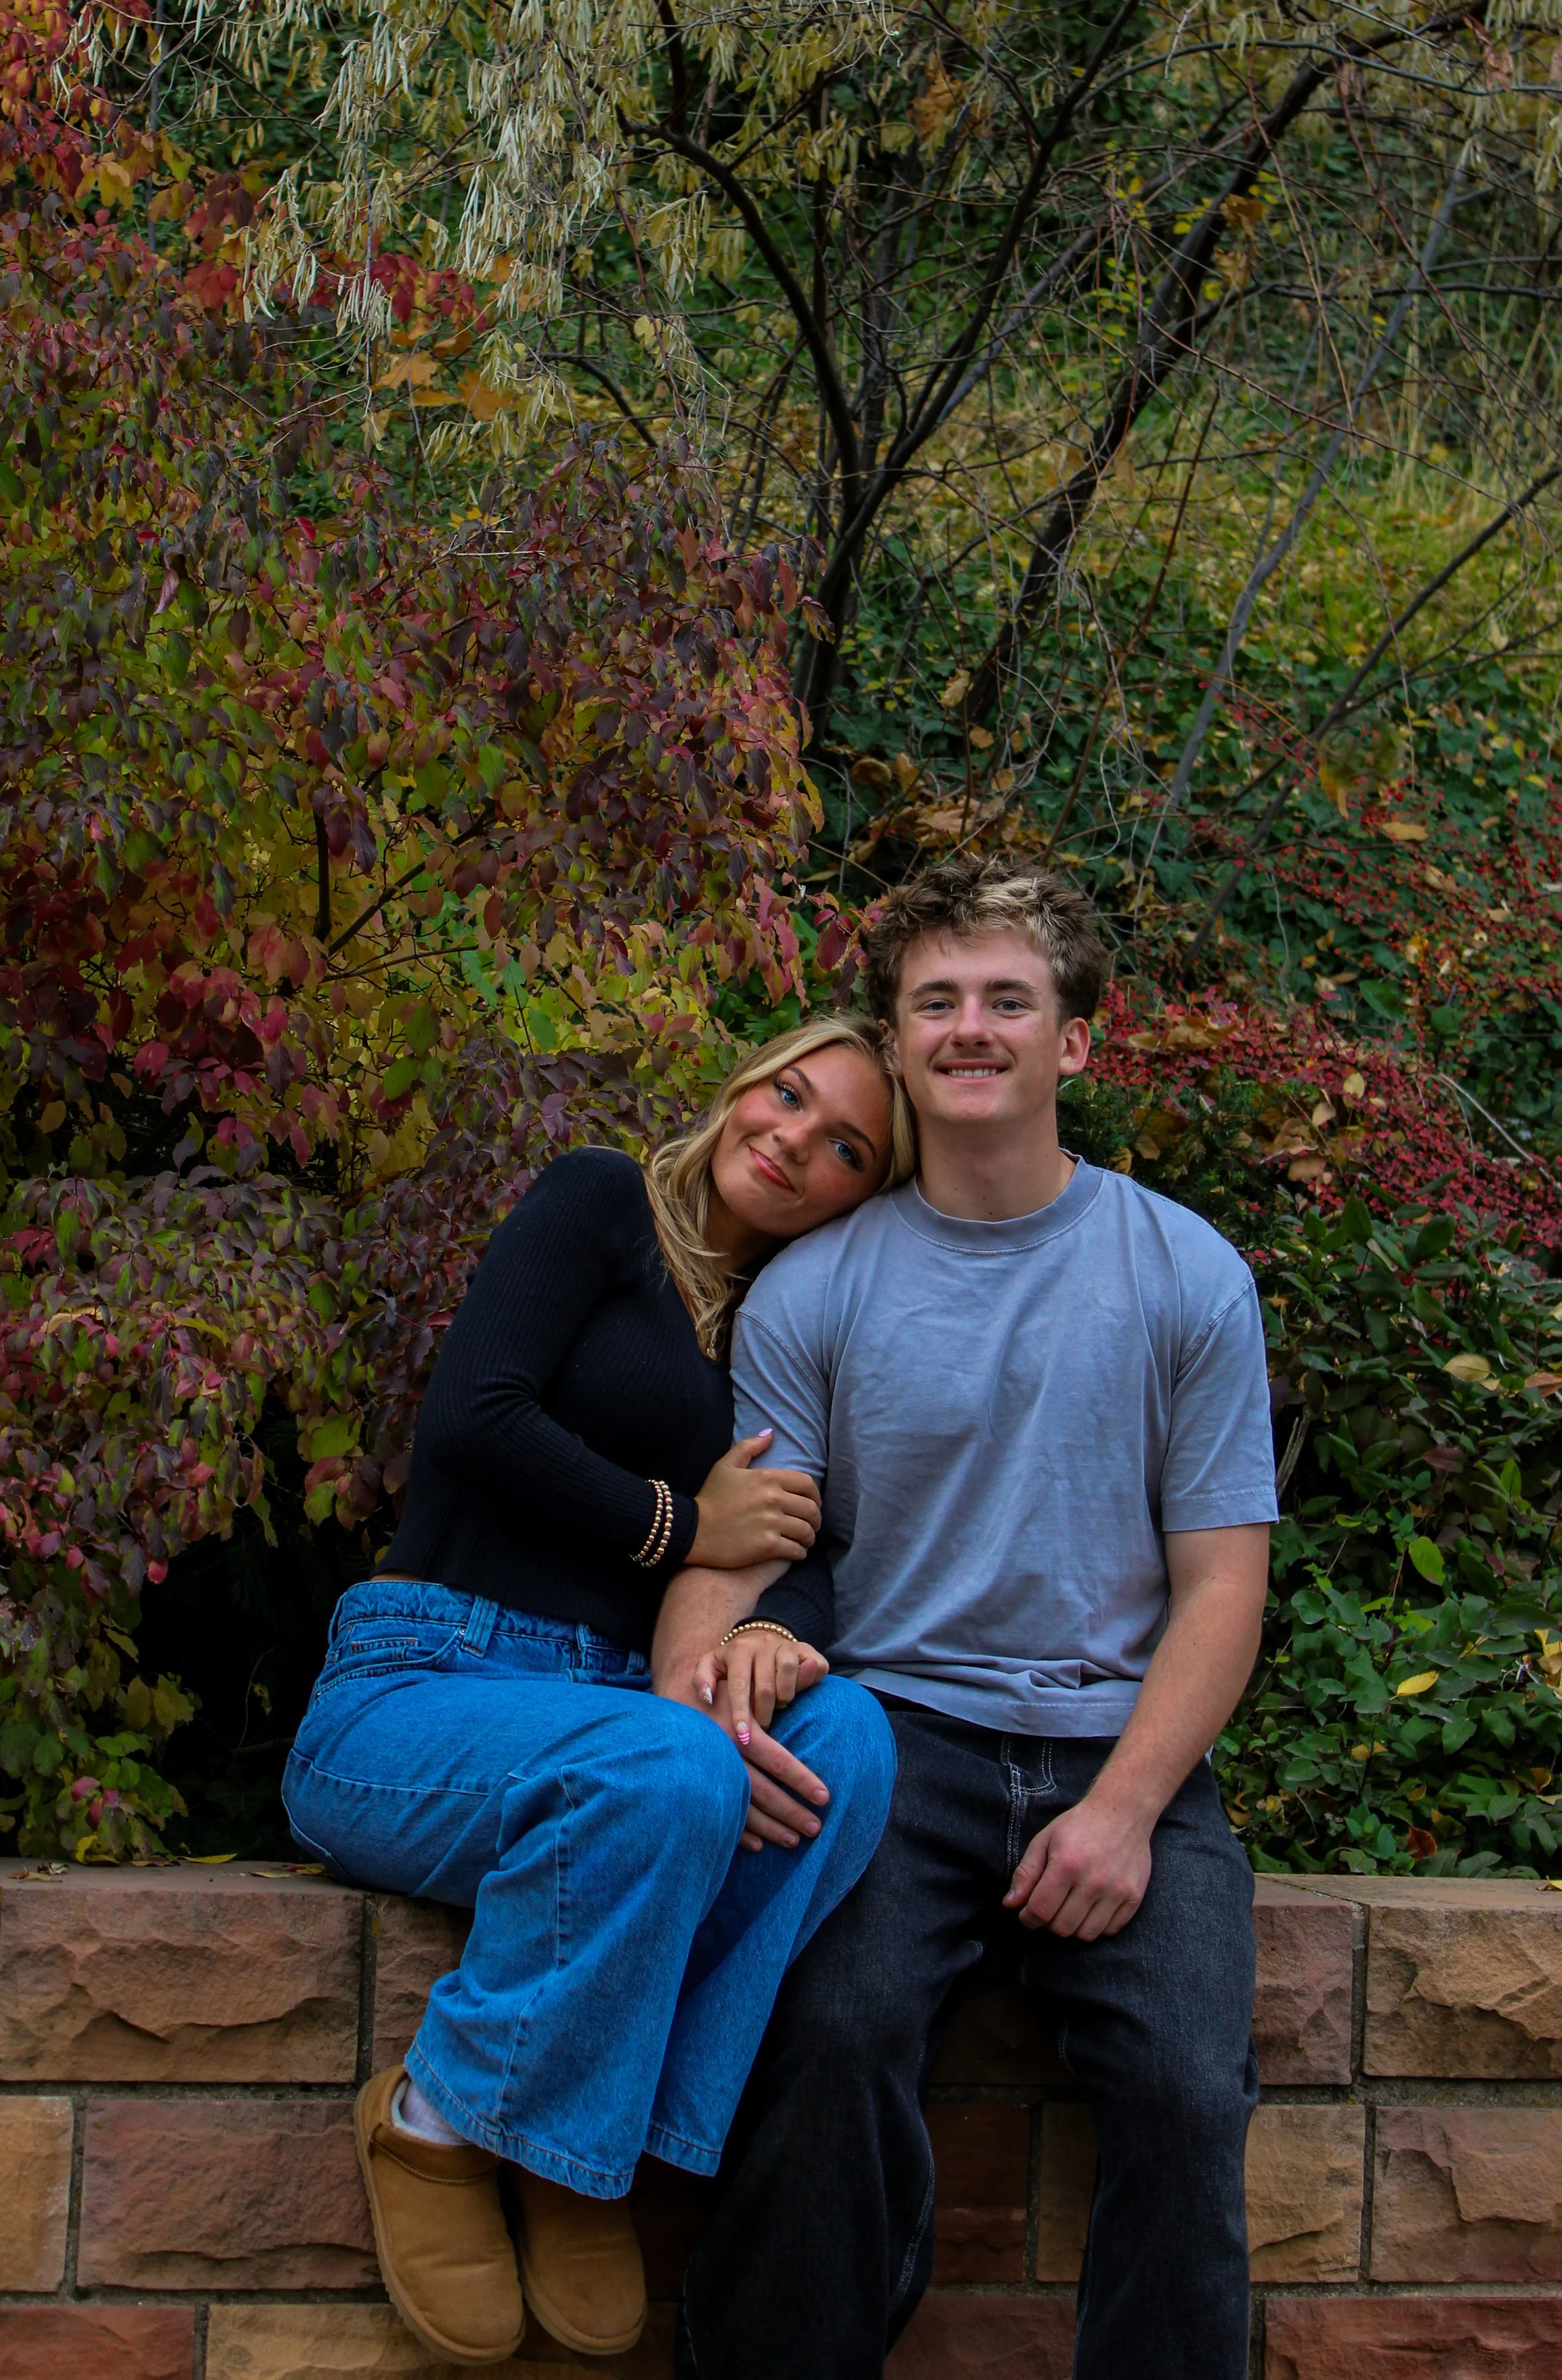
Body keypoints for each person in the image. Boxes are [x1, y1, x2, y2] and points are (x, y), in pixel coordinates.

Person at [656, 863, 1280, 2380]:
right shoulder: (816, 1292)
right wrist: (697, 1698)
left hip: (1114, 1746)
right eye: (934, 1001)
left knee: (1191, 2097)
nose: (968, 1027)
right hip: (895, 1739)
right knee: (823, 2048)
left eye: (1008, 999)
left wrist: (1127, 1811)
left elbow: (1221, 1585)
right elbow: (743, 1554)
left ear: (1075, 1042)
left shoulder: (1181, 1274)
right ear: (899, 1033)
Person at [281, 1017, 910, 2368]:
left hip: (611, 1722)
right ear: (745, 1084)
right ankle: (443, 2121)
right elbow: (477, 1419)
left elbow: (789, 1551)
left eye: (844, 1144)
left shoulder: (780, 1335)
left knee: (849, 1736)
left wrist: (774, 1640)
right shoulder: (597, 1201)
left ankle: (583, 2141)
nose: (793, 1139)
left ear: (863, 1193)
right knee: (670, 1761)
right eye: (788, 1095)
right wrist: (685, 1530)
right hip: (422, 1690)